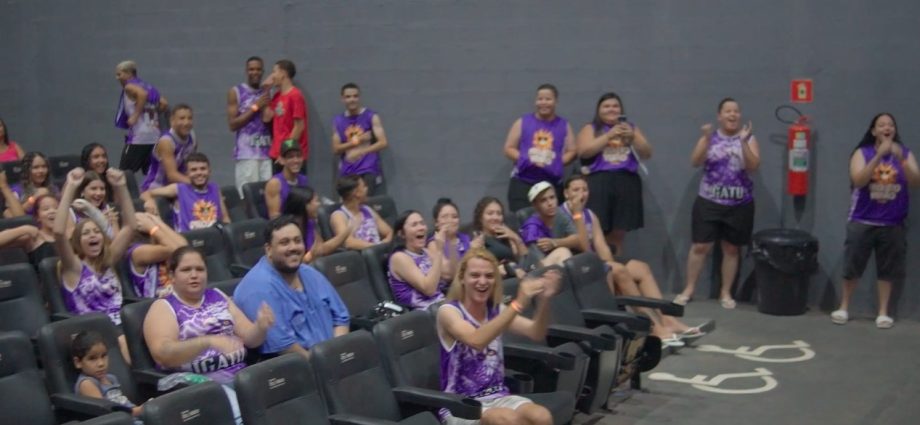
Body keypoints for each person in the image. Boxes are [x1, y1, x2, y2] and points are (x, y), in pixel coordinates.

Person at [560, 175, 702, 346]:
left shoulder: (590, 214)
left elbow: (601, 245)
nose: (581, 194)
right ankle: (653, 327)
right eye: (576, 190)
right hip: (580, 265)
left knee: (641, 268)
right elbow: (582, 247)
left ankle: (668, 319)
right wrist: (577, 215)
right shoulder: (563, 216)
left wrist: (608, 262)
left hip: (595, 260)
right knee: (620, 271)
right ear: (566, 193)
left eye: (585, 189)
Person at [144, 246, 274, 422]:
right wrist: (206, 342)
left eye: (199, 269)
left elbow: (250, 339)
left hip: (242, 377)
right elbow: (163, 354)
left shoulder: (217, 296)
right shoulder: (164, 307)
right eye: (186, 270)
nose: (194, 275)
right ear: (172, 276)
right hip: (200, 386)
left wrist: (260, 326)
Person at [437, 248, 559, 425]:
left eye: (489, 276)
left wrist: (545, 300)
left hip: (498, 396)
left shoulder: (496, 311)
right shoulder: (448, 312)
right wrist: (518, 303)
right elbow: (476, 340)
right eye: (475, 275)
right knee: (505, 420)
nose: (482, 281)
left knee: (541, 416)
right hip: (460, 405)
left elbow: (536, 332)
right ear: (462, 278)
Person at [831, 113, 920, 328]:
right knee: (853, 265)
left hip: (892, 222)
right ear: (873, 131)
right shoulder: (862, 153)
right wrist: (879, 156)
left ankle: (883, 312)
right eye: (881, 125)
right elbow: (859, 180)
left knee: (887, 270)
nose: (886, 128)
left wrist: (900, 159)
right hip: (863, 219)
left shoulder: (904, 153)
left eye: (890, 125)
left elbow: (916, 181)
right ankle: (844, 307)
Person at [676, 98, 760, 309]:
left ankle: (726, 292)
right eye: (728, 111)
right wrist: (706, 139)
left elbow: (753, 166)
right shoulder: (710, 138)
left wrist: (743, 142)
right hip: (709, 200)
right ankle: (689, 289)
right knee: (700, 246)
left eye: (736, 111)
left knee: (731, 248)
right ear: (719, 116)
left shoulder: (748, 138)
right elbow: (695, 161)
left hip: (739, 203)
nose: (732, 115)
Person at [233, 215, 349, 358]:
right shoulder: (257, 288)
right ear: (269, 249)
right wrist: (324, 364)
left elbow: (341, 318)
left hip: (333, 356)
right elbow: (284, 346)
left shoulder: (310, 273)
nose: (293, 247)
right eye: (284, 242)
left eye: (297, 241)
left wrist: (337, 352)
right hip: (299, 365)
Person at [54, 167, 136, 361]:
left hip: (121, 326)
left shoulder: (108, 261)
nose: (93, 236)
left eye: (97, 232)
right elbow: (58, 232)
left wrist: (121, 187)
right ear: (77, 242)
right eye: (86, 233)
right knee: (124, 340)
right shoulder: (73, 267)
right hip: (90, 332)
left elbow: (131, 226)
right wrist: (71, 187)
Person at [575, 92, 652, 254]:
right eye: (606, 106)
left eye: (615, 106)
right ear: (599, 110)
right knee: (596, 231)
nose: (611, 109)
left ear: (621, 110)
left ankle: (615, 265)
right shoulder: (591, 128)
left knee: (618, 233)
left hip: (626, 181)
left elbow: (647, 153)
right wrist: (608, 136)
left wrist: (633, 137)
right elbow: (584, 151)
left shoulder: (630, 128)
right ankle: (598, 266)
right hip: (599, 182)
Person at [503, 84, 576, 212]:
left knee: (551, 223)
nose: (543, 102)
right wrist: (527, 159)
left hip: (552, 184)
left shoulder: (564, 125)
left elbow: (573, 151)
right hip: (523, 182)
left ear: (556, 101)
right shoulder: (522, 122)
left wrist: (556, 163)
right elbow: (508, 148)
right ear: (535, 101)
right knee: (524, 221)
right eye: (540, 99)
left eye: (548, 99)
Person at [140, 152, 230, 232]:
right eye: (194, 170)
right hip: (188, 240)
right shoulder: (178, 189)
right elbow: (145, 193)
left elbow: (225, 218)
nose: (199, 173)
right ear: (187, 174)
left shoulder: (215, 188)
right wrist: (149, 201)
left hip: (214, 239)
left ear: (209, 171)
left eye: (203, 169)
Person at [331, 82, 389, 195]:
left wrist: (362, 151)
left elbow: (383, 142)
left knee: (365, 202)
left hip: (368, 169)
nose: (352, 100)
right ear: (342, 99)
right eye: (348, 97)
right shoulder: (338, 121)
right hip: (347, 170)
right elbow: (336, 149)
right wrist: (358, 141)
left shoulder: (371, 116)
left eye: (355, 96)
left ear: (359, 97)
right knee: (349, 203)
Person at [71, 331, 144, 418]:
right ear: (78, 362)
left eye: (103, 356)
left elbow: (122, 402)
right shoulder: (86, 384)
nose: (101, 363)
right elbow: (105, 411)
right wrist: (138, 410)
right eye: (92, 358)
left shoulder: (111, 378)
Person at [114, 60, 168, 173]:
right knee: (151, 174)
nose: (117, 78)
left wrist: (135, 115)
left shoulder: (130, 86)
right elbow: (164, 103)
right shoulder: (148, 87)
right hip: (154, 137)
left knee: (123, 174)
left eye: (119, 74)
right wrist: (153, 113)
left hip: (139, 138)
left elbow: (142, 95)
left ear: (129, 73)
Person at [228, 56, 272, 193]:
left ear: (263, 71)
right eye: (251, 69)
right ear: (246, 71)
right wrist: (255, 107)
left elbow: (270, 121)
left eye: (258, 69)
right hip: (247, 155)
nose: (255, 72)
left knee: (266, 197)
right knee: (247, 196)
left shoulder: (268, 92)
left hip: (266, 154)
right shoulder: (236, 92)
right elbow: (232, 125)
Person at [388, 210, 446, 310]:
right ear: (401, 234)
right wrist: (439, 251)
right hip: (422, 313)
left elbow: (446, 277)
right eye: (414, 225)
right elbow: (429, 289)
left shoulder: (425, 252)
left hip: (441, 305)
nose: (421, 227)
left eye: (422, 223)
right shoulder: (399, 257)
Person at [282, 187, 354, 263]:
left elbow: (321, 249)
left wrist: (347, 230)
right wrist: (310, 256)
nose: (319, 204)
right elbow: (292, 261)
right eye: (316, 201)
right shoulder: (287, 229)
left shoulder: (310, 224)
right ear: (306, 205)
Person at [126, 212, 188, 298]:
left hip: (178, 297)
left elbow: (185, 249)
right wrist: (153, 228)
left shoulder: (162, 245)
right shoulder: (137, 251)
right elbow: (177, 251)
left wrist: (159, 222)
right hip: (157, 302)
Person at [261, 59, 308, 172]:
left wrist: (286, 152)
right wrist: (266, 90)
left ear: (283, 73)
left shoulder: (295, 95)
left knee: (293, 184)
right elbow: (267, 117)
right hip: (277, 154)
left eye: (274, 72)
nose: (272, 76)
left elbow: (299, 127)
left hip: (292, 156)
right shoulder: (277, 96)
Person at [141, 104, 197, 192]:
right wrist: (197, 184)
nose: (186, 122)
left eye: (189, 118)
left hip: (178, 187)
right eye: (182, 118)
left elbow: (191, 166)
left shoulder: (192, 137)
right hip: (155, 189)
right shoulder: (166, 142)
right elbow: (172, 176)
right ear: (172, 121)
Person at [518, 182, 576, 267]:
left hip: (555, 264)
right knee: (563, 252)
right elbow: (539, 264)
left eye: (552, 197)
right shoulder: (532, 229)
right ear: (535, 205)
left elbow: (577, 239)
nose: (550, 203)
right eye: (543, 200)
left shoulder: (559, 213)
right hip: (534, 268)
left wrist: (555, 243)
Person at [471, 197, 529, 279]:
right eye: (490, 213)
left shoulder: (506, 236)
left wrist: (515, 238)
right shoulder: (479, 239)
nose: (495, 217)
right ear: (480, 218)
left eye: (499, 214)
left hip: (517, 275)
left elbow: (526, 260)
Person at [329, 176, 393, 249]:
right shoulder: (339, 216)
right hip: (362, 254)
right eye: (364, 186)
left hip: (380, 251)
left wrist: (384, 244)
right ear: (357, 193)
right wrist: (378, 246)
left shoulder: (367, 209)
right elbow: (348, 242)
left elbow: (390, 232)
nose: (367, 189)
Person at [431, 198, 483, 282]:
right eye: (445, 217)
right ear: (436, 223)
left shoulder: (465, 238)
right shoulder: (433, 243)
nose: (450, 220)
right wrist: (470, 250)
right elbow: (449, 275)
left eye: (454, 217)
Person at [265, 140, 308, 218]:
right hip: (284, 224)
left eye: (298, 156)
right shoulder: (275, 184)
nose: (296, 160)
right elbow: (274, 217)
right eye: (290, 157)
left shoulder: (305, 180)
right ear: (281, 160)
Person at [72, 171, 120, 237]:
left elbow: (117, 241)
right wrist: (99, 219)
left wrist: (113, 223)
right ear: (82, 191)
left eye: (102, 189)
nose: (99, 193)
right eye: (93, 189)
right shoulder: (71, 213)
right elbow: (72, 240)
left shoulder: (108, 209)